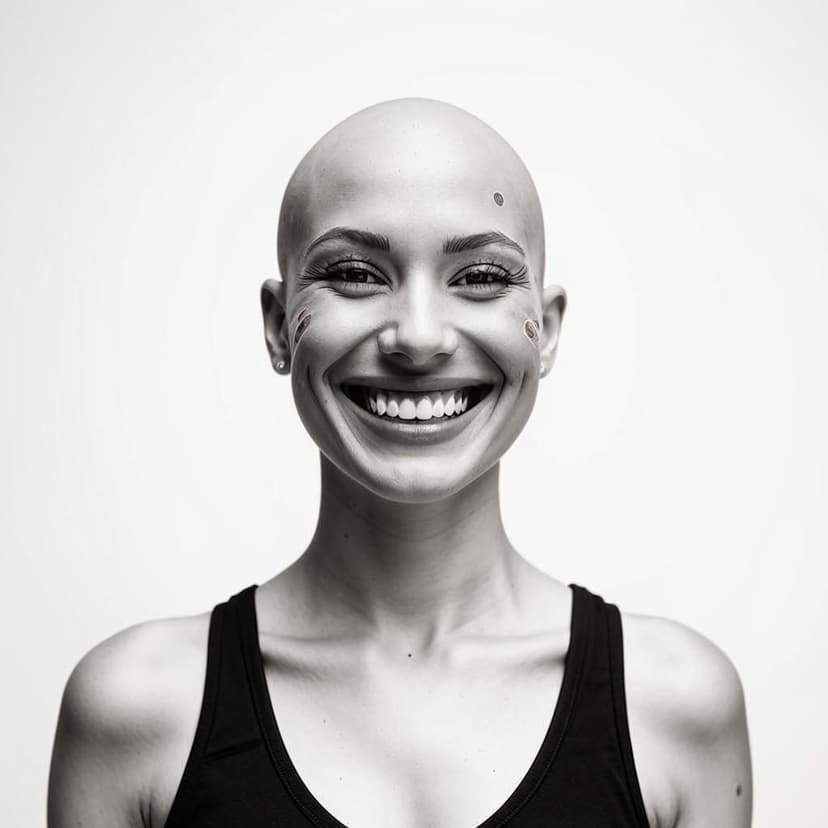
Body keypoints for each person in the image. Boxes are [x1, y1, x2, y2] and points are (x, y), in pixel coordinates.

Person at [47, 98, 752, 827]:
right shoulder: (136, 714)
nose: (418, 337)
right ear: (279, 325)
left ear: (545, 332)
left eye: (480, 277)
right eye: (356, 273)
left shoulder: (675, 710)